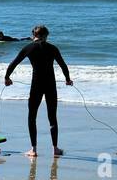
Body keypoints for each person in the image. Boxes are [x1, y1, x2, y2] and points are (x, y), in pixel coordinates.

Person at [4, 25, 72, 158]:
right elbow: (63, 65)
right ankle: (55, 149)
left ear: (33, 35)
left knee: (32, 117)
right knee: (52, 117)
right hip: (50, 85)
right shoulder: (52, 48)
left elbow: (14, 63)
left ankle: (33, 150)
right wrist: (68, 79)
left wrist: (7, 77)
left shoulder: (28, 47)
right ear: (46, 36)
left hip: (36, 85)